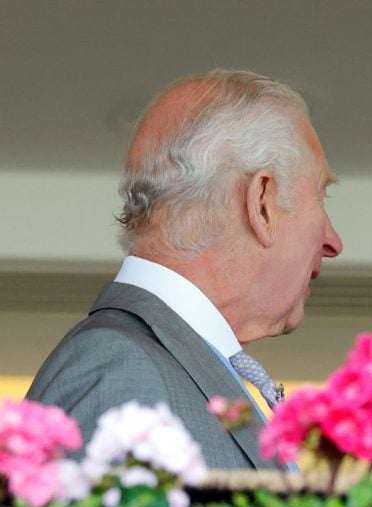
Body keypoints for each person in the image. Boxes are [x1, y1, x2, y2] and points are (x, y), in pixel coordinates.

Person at [27, 69, 343, 469]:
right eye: (320, 194)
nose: (333, 241)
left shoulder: (169, 364)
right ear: (262, 203)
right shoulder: (121, 367)